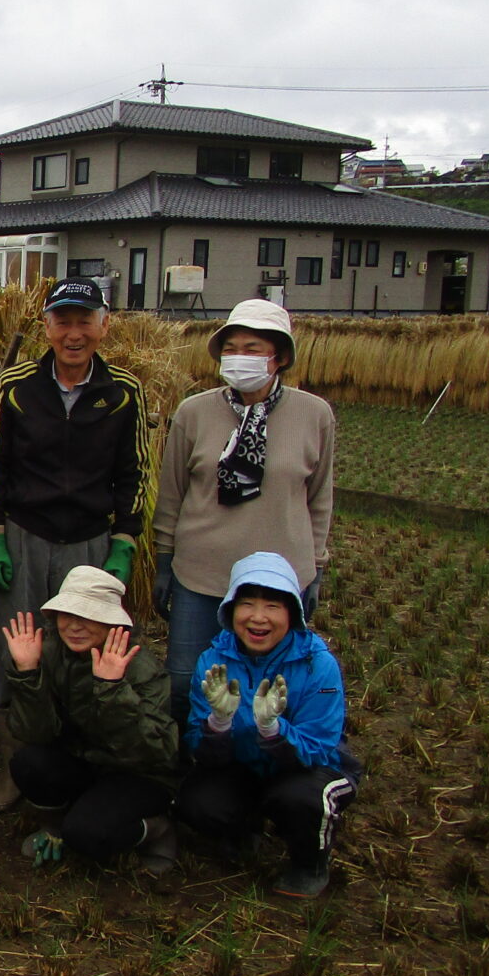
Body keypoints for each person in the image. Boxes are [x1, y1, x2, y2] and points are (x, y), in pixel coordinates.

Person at [0, 278, 150, 813]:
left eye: (85, 321)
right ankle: (15, 765)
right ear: (47, 327)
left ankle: (78, 765)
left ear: (104, 325)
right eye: (63, 321)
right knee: (17, 646)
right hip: (24, 535)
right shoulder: (15, 385)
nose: (74, 334)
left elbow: (134, 473)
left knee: (83, 649)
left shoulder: (123, 392)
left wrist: (124, 542)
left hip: (89, 540)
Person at [152, 301, 335, 730]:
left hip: (279, 581)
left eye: (252, 349)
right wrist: (164, 560)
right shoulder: (194, 412)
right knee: (185, 680)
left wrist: (315, 567)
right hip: (202, 573)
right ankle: (189, 757)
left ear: (280, 357)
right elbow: (172, 494)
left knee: (270, 686)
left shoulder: (314, 415)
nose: (239, 357)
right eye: (231, 348)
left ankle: (261, 753)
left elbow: (319, 498)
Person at [176, 552, 357, 898]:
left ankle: (310, 862)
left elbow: (319, 748)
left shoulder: (317, 664)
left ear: (292, 613)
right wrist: (218, 722)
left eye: (273, 606)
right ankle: (246, 828)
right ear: (230, 610)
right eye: (247, 604)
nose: (258, 618)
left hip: (306, 768)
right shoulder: (212, 661)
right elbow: (202, 751)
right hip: (244, 763)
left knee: (299, 800)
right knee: (197, 802)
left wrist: (273, 728)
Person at [0, 566, 177, 873]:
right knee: (29, 763)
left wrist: (112, 689)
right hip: (83, 762)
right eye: (67, 614)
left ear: (112, 623)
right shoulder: (51, 652)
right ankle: (54, 826)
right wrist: (28, 674)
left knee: (86, 835)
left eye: (87, 616)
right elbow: (35, 734)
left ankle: (157, 830)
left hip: (135, 774)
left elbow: (154, 753)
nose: (74, 626)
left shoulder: (141, 668)